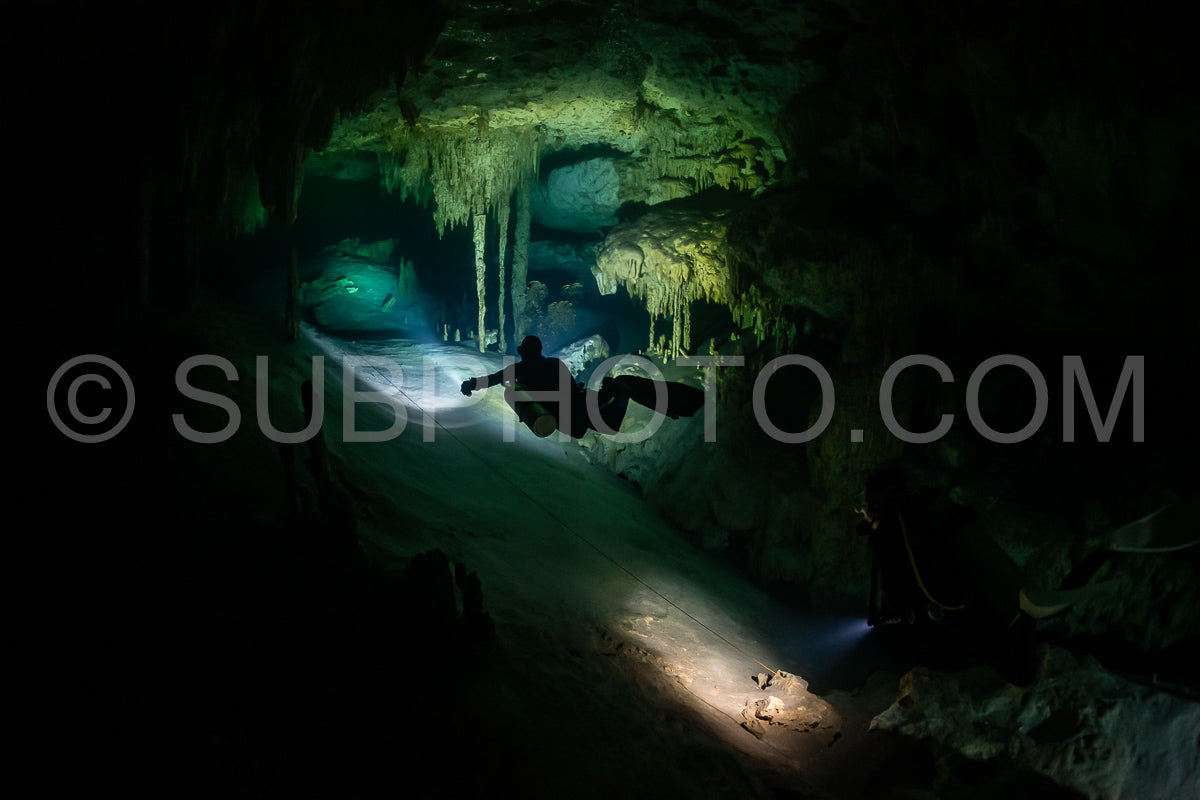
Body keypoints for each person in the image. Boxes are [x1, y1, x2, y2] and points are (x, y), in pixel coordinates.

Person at [461, 335, 625, 438]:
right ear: (539, 351)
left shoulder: (519, 369)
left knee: (609, 421)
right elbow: (573, 392)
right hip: (574, 411)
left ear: (523, 352)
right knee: (611, 420)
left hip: (563, 419)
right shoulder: (554, 364)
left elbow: (493, 379)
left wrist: (470, 384)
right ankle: (619, 392)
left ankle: (617, 394)